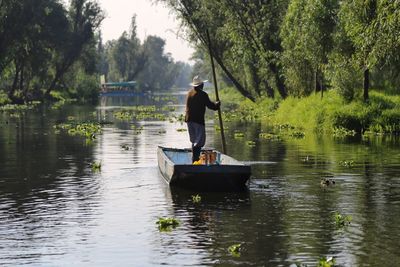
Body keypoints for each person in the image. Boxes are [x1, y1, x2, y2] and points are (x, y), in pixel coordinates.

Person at [185, 75, 220, 163]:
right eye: (202, 84)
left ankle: (194, 160)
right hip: (198, 121)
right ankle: (195, 160)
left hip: (189, 120)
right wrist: (217, 104)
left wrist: (216, 105)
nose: (203, 85)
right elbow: (211, 106)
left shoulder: (189, 93)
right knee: (199, 142)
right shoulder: (202, 94)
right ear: (200, 85)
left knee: (194, 141)